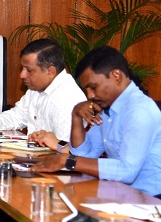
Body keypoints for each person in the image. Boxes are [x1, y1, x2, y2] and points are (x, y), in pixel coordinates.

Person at [33, 46, 161, 197]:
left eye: (93, 87)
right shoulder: (110, 108)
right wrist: (76, 116)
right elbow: (85, 154)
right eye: (87, 89)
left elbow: (127, 171)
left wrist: (68, 161)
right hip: (120, 194)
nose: (90, 95)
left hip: (149, 200)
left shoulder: (139, 110)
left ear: (116, 76)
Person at [0, 39, 85, 153]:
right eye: (22, 68)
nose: (22, 75)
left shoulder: (67, 99)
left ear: (50, 71)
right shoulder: (36, 88)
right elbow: (16, 116)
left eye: (29, 70)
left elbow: (68, 153)